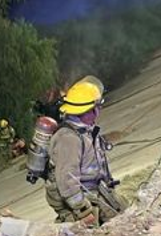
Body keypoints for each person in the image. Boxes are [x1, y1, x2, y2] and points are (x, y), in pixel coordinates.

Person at [44, 77, 125, 225]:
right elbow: (67, 181)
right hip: (82, 200)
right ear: (91, 110)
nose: (100, 110)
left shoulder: (85, 131)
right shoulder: (68, 139)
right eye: (98, 106)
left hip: (95, 190)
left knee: (123, 212)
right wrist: (83, 211)